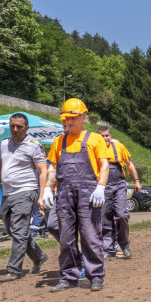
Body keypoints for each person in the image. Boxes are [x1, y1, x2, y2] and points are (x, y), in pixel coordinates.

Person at [42, 98, 110, 292]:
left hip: (89, 192)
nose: (68, 122)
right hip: (64, 192)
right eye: (65, 118)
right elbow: (53, 167)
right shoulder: (59, 141)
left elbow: (104, 165)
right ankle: (68, 276)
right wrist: (48, 187)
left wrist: (101, 186)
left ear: (83, 117)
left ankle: (95, 275)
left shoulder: (95, 139)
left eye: (73, 118)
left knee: (91, 235)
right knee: (66, 237)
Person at [0, 113, 49, 283]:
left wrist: (42, 195)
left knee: (18, 231)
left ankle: (14, 269)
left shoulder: (34, 145)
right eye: (12, 126)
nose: (15, 129)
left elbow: (43, 171)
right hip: (7, 193)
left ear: (26, 128)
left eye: (19, 126)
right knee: (14, 230)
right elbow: (0, 169)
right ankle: (38, 256)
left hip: (26, 191)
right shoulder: (4, 143)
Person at [97, 128, 141, 260]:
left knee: (122, 215)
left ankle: (124, 245)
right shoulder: (94, 149)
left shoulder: (119, 146)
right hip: (103, 186)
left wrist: (137, 181)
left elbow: (129, 164)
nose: (105, 138)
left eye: (107, 135)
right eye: (102, 136)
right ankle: (108, 249)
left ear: (110, 136)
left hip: (119, 185)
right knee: (105, 217)